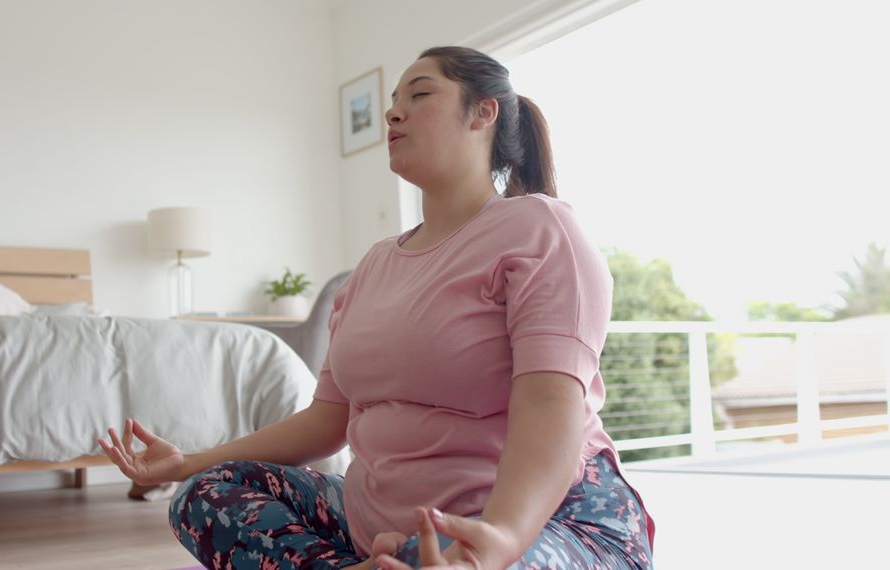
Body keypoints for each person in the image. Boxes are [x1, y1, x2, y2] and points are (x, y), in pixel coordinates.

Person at [99, 46, 655, 569]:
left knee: (436, 559)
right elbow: (326, 421)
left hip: (546, 521)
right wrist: (189, 461)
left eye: (419, 95)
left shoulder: (540, 228)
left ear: (482, 113)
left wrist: (501, 539)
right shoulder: (372, 266)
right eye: (391, 103)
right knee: (207, 495)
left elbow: (548, 406)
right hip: (375, 527)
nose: (394, 114)